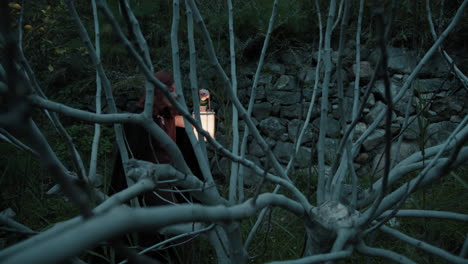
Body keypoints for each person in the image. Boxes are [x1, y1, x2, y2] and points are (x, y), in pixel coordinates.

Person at [109, 71, 207, 263]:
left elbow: (186, 150)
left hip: (173, 183)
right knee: (162, 231)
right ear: (159, 92)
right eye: (172, 90)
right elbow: (127, 161)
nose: (177, 95)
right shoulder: (139, 121)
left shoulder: (170, 117)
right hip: (150, 186)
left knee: (181, 230)